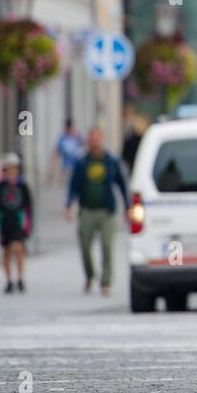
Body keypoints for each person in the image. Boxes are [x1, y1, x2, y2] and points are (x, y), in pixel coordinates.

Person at [66, 126, 130, 296]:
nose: (94, 140)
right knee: (85, 246)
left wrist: (128, 207)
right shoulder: (82, 162)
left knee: (107, 245)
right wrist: (69, 206)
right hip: (87, 209)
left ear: (101, 139)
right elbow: (73, 185)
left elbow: (122, 185)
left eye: (97, 137)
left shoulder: (111, 161)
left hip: (106, 211)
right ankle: (90, 276)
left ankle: (106, 281)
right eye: (91, 137)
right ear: (88, 140)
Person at [0, 153, 32, 293]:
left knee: (19, 249)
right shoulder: (0, 186)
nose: (12, 171)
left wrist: (28, 225)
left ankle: (20, 278)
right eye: (9, 169)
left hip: (18, 222)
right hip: (4, 222)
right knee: (6, 251)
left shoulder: (23, 186)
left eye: (14, 168)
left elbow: (29, 207)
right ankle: (8, 280)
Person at [54, 119, 83, 186]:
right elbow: (57, 151)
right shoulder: (62, 138)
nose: (69, 130)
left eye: (71, 129)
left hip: (76, 166)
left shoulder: (76, 136)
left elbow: (84, 144)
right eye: (68, 129)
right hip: (66, 167)